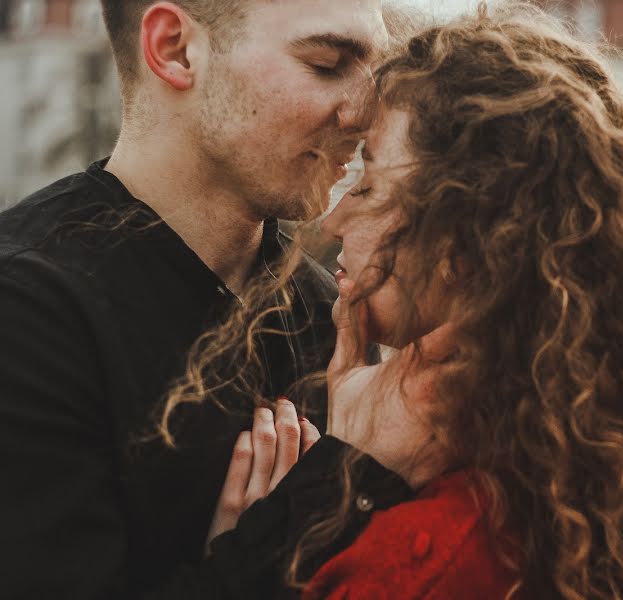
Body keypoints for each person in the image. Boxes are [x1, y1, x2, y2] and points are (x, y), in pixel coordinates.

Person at [195, 4, 623, 598]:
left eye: (370, 182)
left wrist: (262, 546)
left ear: (468, 240)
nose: (334, 221)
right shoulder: (597, 468)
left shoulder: (438, 550)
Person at [0, 1, 391, 598]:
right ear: (176, 49)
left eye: (376, 74)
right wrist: (262, 553)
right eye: (328, 63)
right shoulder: (27, 309)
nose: (368, 113)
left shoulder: (331, 311)